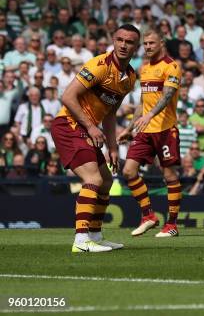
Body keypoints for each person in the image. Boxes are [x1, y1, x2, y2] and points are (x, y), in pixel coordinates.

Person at [50, 24, 140, 253]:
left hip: (86, 130)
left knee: (106, 181)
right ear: (113, 39)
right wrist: (91, 127)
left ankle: (95, 235)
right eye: (120, 39)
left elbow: (110, 113)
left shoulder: (129, 78)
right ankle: (81, 241)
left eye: (129, 42)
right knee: (93, 179)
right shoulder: (99, 65)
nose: (123, 45)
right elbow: (67, 96)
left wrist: (112, 148)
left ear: (136, 47)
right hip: (69, 125)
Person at [117, 30, 183, 238]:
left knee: (169, 176)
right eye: (144, 44)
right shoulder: (144, 69)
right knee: (128, 171)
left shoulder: (171, 66)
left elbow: (167, 95)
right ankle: (149, 216)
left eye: (151, 43)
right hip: (145, 130)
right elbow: (144, 102)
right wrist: (129, 128)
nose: (147, 47)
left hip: (165, 129)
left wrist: (149, 115)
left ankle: (172, 224)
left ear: (161, 43)